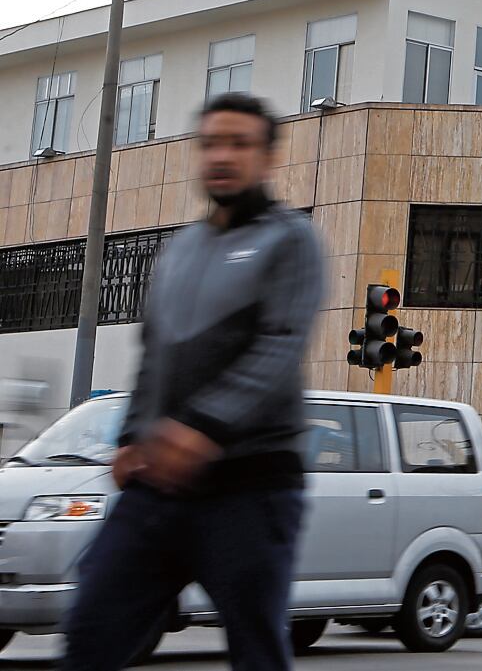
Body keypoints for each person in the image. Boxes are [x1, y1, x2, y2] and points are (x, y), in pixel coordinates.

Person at [64, 94, 322, 671]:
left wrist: (203, 426)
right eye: (211, 144)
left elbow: (279, 347)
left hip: (252, 486)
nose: (222, 156)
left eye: (239, 144)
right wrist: (132, 434)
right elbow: (154, 352)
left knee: (256, 651)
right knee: (90, 630)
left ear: (268, 157)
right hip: (160, 486)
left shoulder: (291, 240)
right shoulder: (181, 248)